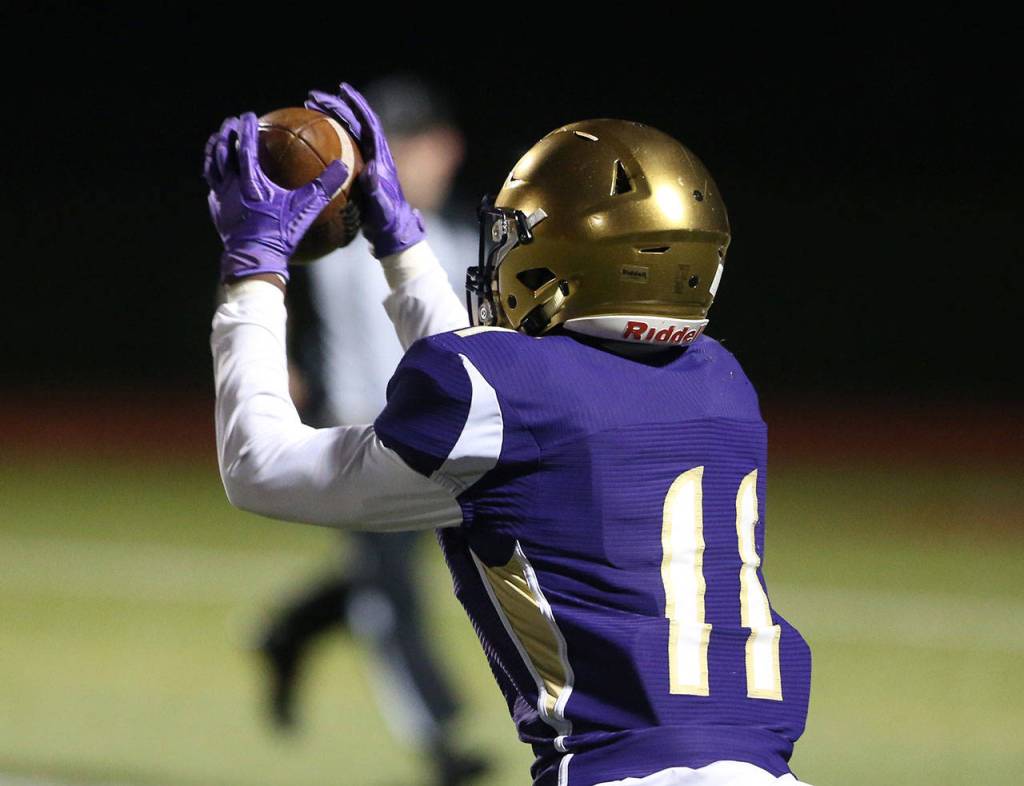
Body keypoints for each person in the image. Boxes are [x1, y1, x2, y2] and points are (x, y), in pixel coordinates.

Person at [204, 83, 813, 786]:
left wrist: (252, 266)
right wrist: (400, 241)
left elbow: (259, 466)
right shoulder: (721, 383)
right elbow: (500, 399)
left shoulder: (512, 391)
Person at [254, 76, 484, 785]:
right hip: (366, 440)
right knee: (392, 596)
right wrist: (276, 358)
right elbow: (262, 274)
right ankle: (443, 745)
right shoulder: (339, 234)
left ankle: (287, 632)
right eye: (417, 148)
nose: (438, 159)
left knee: (401, 580)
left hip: (454, 443)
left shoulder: (455, 237)